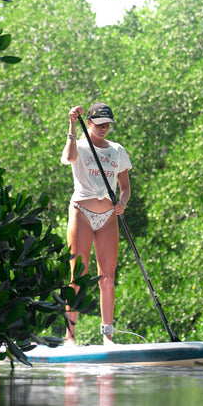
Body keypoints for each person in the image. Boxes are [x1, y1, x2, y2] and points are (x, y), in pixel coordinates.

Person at [61, 103, 131, 346]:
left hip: (107, 217)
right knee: (78, 274)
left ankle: (107, 336)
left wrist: (122, 203)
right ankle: (70, 337)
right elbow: (69, 158)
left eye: (108, 125)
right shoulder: (79, 146)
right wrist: (71, 124)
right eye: (99, 124)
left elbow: (125, 188)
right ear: (88, 123)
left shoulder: (117, 151)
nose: (104, 129)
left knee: (107, 277)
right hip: (81, 211)